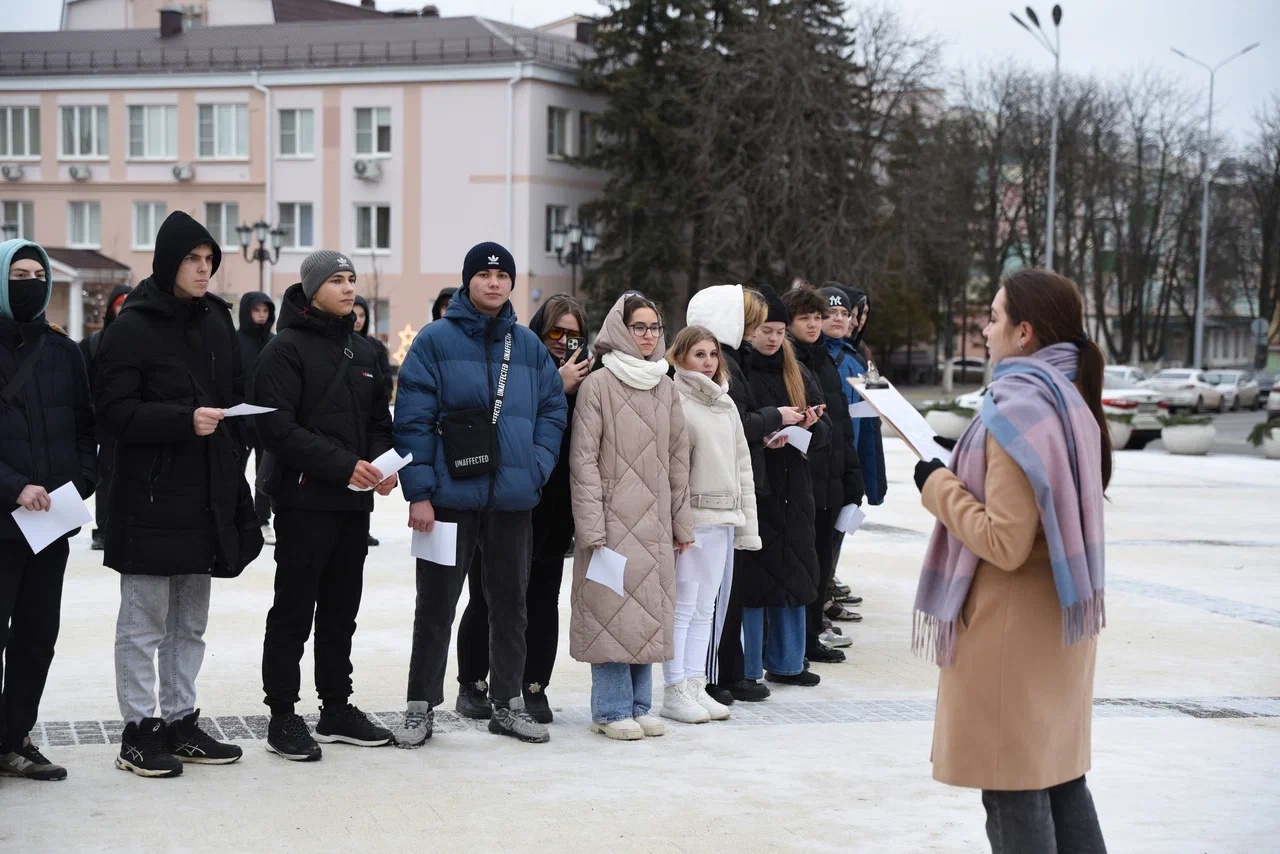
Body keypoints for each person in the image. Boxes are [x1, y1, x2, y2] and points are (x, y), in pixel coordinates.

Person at [913, 270, 1109, 853]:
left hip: (1009, 634)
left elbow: (1005, 540)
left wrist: (936, 483)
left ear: (1024, 332)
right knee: (1058, 780)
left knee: (1013, 787)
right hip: (1057, 626)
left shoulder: (1018, 404)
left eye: (993, 317)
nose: (985, 327)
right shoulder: (1064, 394)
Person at [94, 211, 263, 778]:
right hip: (148, 500)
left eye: (210, 261)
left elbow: (237, 394)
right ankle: (139, 732)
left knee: (190, 623)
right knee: (143, 624)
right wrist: (182, 420)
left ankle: (180, 721)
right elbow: (114, 413)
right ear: (168, 262)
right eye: (193, 260)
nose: (204, 270)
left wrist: (233, 443)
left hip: (206, 497)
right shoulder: (131, 328)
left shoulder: (218, 323)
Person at [392, 242, 566, 747]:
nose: (494, 282)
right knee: (436, 605)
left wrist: (534, 467)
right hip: (448, 499)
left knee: (512, 603)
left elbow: (553, 409)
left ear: (512, 283)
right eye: (484, 274)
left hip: (512, 499)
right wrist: (419, 493)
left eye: (502, 275)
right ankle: (420, 705)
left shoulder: (528, 346)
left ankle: (507, 704)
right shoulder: (433, 341)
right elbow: (413, 422)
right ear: (468, 280)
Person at [253, 251, 398, 762]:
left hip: (353, 505)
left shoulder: (365, 352)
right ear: (312, 289)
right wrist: (343, 465)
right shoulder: (284, 350)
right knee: (294, 608)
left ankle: (336, 707)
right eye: (336, 280)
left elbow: (380, 420)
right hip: (303, 499)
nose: (347, 288)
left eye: (351, 279)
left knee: (342, 611)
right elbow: (276, 427)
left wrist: (383, 463)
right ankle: (282, 714)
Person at [454, 293, 591, 724]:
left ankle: (533, 687)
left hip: (553, 504)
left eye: (573, 335)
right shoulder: (514, 365)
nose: (563, 342)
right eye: (555, 332)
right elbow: (499, 418)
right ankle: (472, 683)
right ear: (538, 330)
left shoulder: (589, 378)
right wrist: (555, 382)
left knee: (542, 599)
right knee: (487, 597)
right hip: (503, 498)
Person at [569, 293, 693, 740]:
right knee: (610, 613)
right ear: (621, 329)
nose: (646, 336)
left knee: (646, 614)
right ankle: (610, 709)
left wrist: (682, 523)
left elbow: (679, 458)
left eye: (654, 328)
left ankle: (641, 704)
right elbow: (582, 461)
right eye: (638, 327)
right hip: (611, 521)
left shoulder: (665, 384)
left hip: (655, 521)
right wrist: (591, 527)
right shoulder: (598, 385)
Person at [0, 240, 96, 782]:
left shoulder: (63, 352)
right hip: (3, 517)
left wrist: (79, 483)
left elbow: (87, 427)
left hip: (49, 523)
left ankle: (15, 738)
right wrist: (15, 487)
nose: (31, 281)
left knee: (37, 635)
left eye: (38, 274)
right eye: (19, 273)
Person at [686, 284, 799, 704]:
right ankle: (715, 676)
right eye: (750, 319)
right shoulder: (726, 364)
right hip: (714, 497)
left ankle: (725, 672)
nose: (759, 329)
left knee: (725, 594)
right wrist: (773, 417)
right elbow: (732, 424)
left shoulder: (734, 360)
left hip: (734, 488)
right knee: (711, 599)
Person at [659, 325, 759, 725]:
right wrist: (678, 522)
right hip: (693, 519)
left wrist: (747, 525)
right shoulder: (674, 399)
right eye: (698, 354)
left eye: (712, 354)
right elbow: (672, 469)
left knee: (705, 607)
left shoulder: (726, 403)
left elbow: (742, 467)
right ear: (680, 357)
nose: (708, 362)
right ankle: (674, 687)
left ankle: (696, 682)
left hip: (723, 519)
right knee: (682, 607)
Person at [736, 285, 829, 690]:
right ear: (749, 330)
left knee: (795, 570)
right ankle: (749, 664)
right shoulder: (740, 369)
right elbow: (739, 423)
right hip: (758, 485)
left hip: (796, 484)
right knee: (757, 577)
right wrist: (773, 425)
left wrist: (811, 425)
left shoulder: (797, 370)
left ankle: (789, 661)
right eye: (765, 330)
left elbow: (826, 430)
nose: (772, 338)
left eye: (777, 331)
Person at [783, 287, 863, 665]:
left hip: (831, 479)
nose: (814, 324)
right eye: (805, 318)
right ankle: (797, 642)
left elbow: (842, 425)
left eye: (817, 317)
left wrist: (852, 474)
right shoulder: (790, 361)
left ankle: (813, 635)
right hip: (803, 480)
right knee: (803, 564)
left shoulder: (825, 361)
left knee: (822, 564)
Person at [80, 283, 131, 551]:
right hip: (105, 422)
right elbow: (83, 384)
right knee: (106, 475)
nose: (123, 308)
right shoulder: (92, 344)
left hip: (135, 420)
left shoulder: (145, 339)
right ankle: (104, 527)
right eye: (119, 303)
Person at [353, 294, 394, 547]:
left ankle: (364, 525)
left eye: (363, 314)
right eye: (354, 314)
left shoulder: (374, 347)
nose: (357, 319)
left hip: (370, 417)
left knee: (370, 473)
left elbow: (385, 380)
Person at [235, 291, 276, 545]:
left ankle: (262, 519)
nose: (261, 315)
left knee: (266, 473)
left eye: (265, 311)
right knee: (234, 471)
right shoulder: (234, 341)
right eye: (256, 310)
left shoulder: (274, 342)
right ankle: (236, 517)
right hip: (239, 419)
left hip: (267, 419)